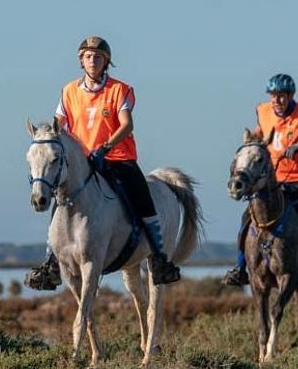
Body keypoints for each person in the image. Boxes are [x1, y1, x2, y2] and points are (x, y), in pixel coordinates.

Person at [25, 36, 184, 290]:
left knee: (142, 196)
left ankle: (160, 259)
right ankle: (51, 263)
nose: (92, 61)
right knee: (60, 200)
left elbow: (126, 125)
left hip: (116, 157)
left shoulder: (119, 90)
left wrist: (106, 147)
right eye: (87, 57)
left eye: (97, 57)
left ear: (106, 62)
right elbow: (59, 126)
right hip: (82, 161)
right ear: (81, 61)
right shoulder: (69, 91)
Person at [222, 72, 298, 287]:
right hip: (273, 179)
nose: (276, 101)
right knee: (247, 218)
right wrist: (252, 141)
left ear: (290, 96)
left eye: (281, 96)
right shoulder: (263, 111)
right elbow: (263, 132)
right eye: (273, 96)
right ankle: (240, 268)